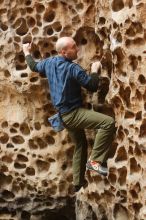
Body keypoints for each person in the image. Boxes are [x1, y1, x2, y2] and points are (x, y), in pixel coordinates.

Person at [22, 37, 116, 192]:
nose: (77, 49)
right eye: (74, 47)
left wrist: (26, 51)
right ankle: (95, 161)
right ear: (64, 52)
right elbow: (92, 86)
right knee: (107, 123)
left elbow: (33, 66)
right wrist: (94, 70)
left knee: (80, 144)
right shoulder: (73, 68)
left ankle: (78, 183)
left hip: (63, 117)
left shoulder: (49, 63)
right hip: (73, 115)